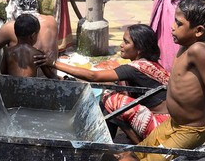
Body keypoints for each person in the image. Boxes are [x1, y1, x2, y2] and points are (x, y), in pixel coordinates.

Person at [84, 0, 205, 161]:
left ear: (198, 31)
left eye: (179, 23)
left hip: (189, 131)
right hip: (173, 124)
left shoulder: (199, 51)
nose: (172, 27)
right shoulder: (187, 45)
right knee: (134, 154)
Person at [36, 24, 170, 143]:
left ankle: (138, 147)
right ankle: (105, 142)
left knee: (110, 99)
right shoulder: (151, 65)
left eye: (126, 42)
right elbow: (103, 80)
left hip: (158, 126)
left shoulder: (134, 69)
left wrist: (54, 63)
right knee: (113, 91)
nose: (121, 45)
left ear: (139, 49)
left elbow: (93, 76)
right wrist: (67, 80)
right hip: (168, 124)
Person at [0, 0, 58, 76]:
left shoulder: (11, 26)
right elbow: (51, 76)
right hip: (46, 78)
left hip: (17, 81)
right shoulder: (51, 21)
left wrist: (1, 29)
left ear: (14, 6)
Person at [0, 14, 55, 79]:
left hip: (13, 87)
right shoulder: (37, 54)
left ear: (15, 33)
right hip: (30, 87)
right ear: (33, 36)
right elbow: (51, 76)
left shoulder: (8, 52)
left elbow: (3, 72)